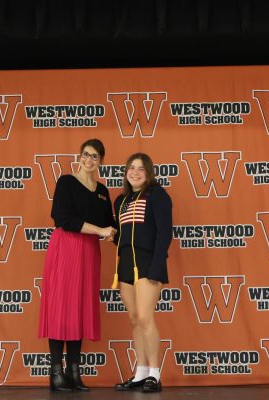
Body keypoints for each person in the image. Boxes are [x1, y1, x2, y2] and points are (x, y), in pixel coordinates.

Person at [38, 138, 116, 391]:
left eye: (94, 156)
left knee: (80, 308)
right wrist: (100, 229)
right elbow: (63, 218)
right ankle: (56, 373)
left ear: (101, 161)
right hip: (67, 247)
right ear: (79, 156)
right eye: (86, 154)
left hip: (90, 252)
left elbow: (110, 224)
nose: (89, 159)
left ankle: (74, 372)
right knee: (61, 307)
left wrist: (120, 233)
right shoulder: (67, 182)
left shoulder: (103, 191)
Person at [112, 153, 173, 393]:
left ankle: (155, 375)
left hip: (149, 263)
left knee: (146, 319)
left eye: (141, 169)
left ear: (148, 173)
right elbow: (122, 235)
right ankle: (141, 373)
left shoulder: (157, 195)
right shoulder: (121, 201)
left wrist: (157, 266)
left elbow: (164, 232)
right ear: (126, 172)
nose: (135, 172)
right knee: (135, 320)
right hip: (126, 264)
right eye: (131, 168)